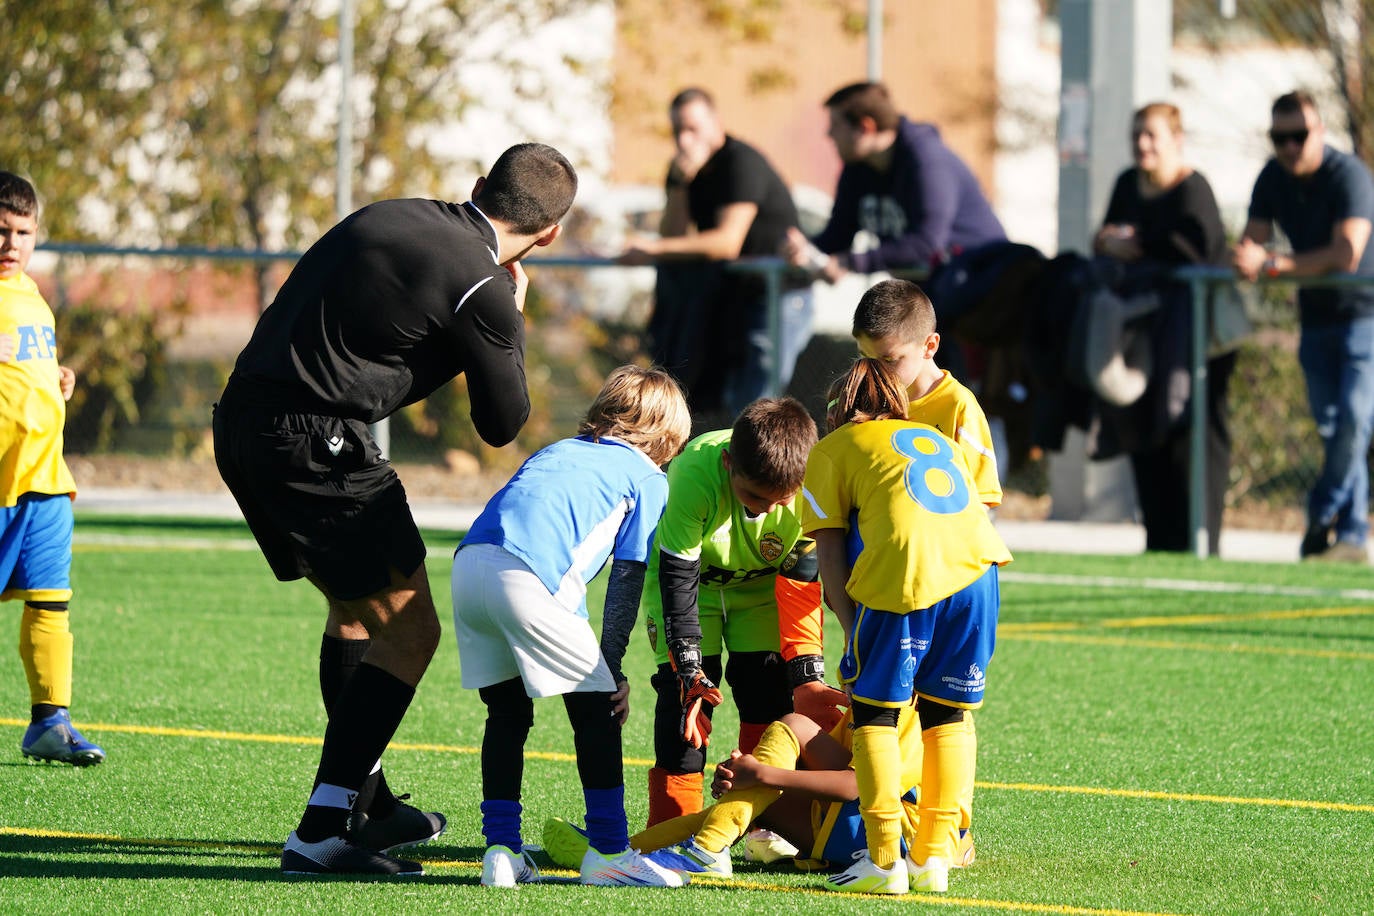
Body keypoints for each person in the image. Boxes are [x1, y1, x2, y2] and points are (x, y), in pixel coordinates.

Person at [212, 142, 578, 876]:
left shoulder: (392, 213)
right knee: (412, 630)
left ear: (477, 186)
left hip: (241, 422)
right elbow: (502, 425)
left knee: (355, 614)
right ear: (551, 234)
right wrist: (514, 318)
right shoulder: (485, 286)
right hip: (317, 443)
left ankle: (368, 805)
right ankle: (321, 831)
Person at [452, 365, 692, 889]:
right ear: (668, 436)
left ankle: (501, 851)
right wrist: (611, 669)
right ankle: (608, 850)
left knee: (508, 715)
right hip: (527, 578)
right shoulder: (648, 478)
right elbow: (626, 582)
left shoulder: (558, 449)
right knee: (598, 714)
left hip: (468, 568)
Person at [800, 358, 1011, 895]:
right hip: (980, 573)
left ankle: (883, 859)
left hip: (907, 573)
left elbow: (828, 553)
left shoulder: (834, 447)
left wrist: (852, 630)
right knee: (948, 715)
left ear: (838, 412)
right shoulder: (927, 433)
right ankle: (933, 858)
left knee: (874, 715)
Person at [641, 397, 848, 836]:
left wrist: (806, 676)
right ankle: (671, 830)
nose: (767, 511)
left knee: (768, 693)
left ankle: (757, 824)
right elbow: (678, 582)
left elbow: (801, 589)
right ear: (728, 462)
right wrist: (690, 669)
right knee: (684, 706)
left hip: (760, 591)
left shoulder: (815, 487)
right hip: (693, 588)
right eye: (754, 496)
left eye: (781, 500)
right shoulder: (692, 476)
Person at [541, 704, 976, 880]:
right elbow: (847, 770)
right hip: (885, 834)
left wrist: (763, 777)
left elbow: (858, 787)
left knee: (791, 732)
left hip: (889, 839)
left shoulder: (905, 709)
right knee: (783, 752)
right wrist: (749, 775)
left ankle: (691, 851)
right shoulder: (895, 702)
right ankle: (627, 852)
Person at [1232, 90, 1374, 564]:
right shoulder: (1272, 177)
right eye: (1280, 138)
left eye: (1298, 136)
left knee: (1355, 418)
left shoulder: (1348, 174)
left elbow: (1346, 254)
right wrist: (1242, 257)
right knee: (1335, 429)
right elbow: (1248, 244)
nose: (1290, 147)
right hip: (1315, 319)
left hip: (1364, 314)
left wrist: (1271, 265)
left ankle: (1320, 514)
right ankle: (1350, 536)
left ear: (1321, 132)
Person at [1094, 102, 1234, 555]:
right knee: (1143, 426)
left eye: (1152, 135)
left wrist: (1137, 243)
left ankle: (1200, 541)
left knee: (1192, 434)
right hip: (1142, 335)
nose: (1142, 144)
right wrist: (1109, 241)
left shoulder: (1193, 189)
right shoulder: (1126, 184)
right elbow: (1106, 239)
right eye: (1137, 134)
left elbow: (1196, 248)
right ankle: (1159, 540)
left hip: (1196, 341)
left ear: (1177, 140)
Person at [623, 87, 814, 420]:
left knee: (756, 411)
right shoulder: (684, 169)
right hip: (737, 298)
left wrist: (651, 249)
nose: (684, 140)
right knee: (731, 408)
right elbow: (675, 235)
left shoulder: (741, 162)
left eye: (692, 128)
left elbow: (728, 242)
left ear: (716, 123)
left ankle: (765, 472)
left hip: (777, 295)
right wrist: (680, 185)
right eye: (677, 131)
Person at [0, 171, 104, 767]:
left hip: (44, 480)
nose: (11, 243)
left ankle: (49, 721)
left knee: (51, 601)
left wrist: (56, 376)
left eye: (23, 231)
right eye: (1, 230)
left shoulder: (34, 296)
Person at [782, 81, 1006, 284]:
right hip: (938, 289)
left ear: (865, 127)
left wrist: (850, 262)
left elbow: (926, 243)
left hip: (982, 284)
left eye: (836, 125)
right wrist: (805, 249)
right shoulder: (857, 169)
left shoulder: (927, 160)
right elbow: (839, 234)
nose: (828, 134)